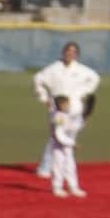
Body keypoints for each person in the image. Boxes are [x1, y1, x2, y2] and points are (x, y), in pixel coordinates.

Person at [33, 40, 99, 178]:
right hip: (57, 108)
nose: (70, 54)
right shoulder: (54, 68)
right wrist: (44, 98)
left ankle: (62, 168)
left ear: (77, 54)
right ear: (64, 52)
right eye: (68, 51)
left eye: (73, 52)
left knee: (70, 138)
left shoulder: (81, 70)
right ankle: (45, 168)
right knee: (57, 137)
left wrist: (85, 93)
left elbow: (95, 78)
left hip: (75, 108)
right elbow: (37, 79)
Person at [48, 94, 86, 198]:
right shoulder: (58, 117)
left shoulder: (65, 115)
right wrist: (72, 143)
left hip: (67, 145)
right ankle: (57, 188)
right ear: (61, 105)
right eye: (66, 104)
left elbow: (71, 127)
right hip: (59, 146)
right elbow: (58, 134)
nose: (68, 105)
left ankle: (73, 187)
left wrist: (81, 120)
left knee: (70, 166)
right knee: (58, 166)